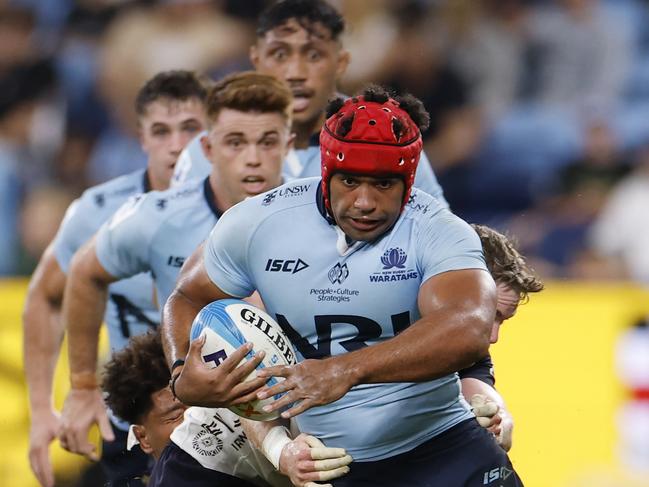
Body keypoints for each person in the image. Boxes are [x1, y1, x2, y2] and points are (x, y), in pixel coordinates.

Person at [161, 85, 524, 486]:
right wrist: (182, 372)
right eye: (350, 181)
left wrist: (344, 371)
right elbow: (187, 296)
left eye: (384, 184)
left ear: (407, 182)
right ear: (327, 172)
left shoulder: (439, 230)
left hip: (445, 449)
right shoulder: (259, 223)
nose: (365, 202)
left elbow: (468, 329)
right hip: (335, 466)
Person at [58, 72, 345, 483]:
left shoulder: (327, 215)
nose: (252, 158)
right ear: (208, 147)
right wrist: (83, 386)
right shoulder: (157, 217)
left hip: (307, 408)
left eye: (267, 142)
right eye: (235, 142)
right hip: (208, 417)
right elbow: (83, 272)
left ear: (289, 143)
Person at [23, 70, 208, 487]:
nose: (177, 145)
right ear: (140, 138)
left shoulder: (241, 209)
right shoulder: (97, 210)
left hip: (217, 415)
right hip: (131, 420)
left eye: (190, 128)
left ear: (211, 134)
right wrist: (42, 411)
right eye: (161, 131)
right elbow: (45, 297)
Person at [171, 0, 448, 207]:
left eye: (313, 55)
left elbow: (439, 237)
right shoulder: (207, 151)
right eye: (280, 55)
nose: (295, 72)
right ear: (256, 61)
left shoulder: (389, 136)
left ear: (340, 63)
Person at [103, 331, 349, 487]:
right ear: (142, 438)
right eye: (175, 416)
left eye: (202, 404)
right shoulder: (180, 470)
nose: (193, 418)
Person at [461, 223, 544, 451]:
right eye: (490, 315)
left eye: (502, 320)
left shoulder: (467, 352)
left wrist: (501, 424)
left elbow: (484, 397)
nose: (494, 337)